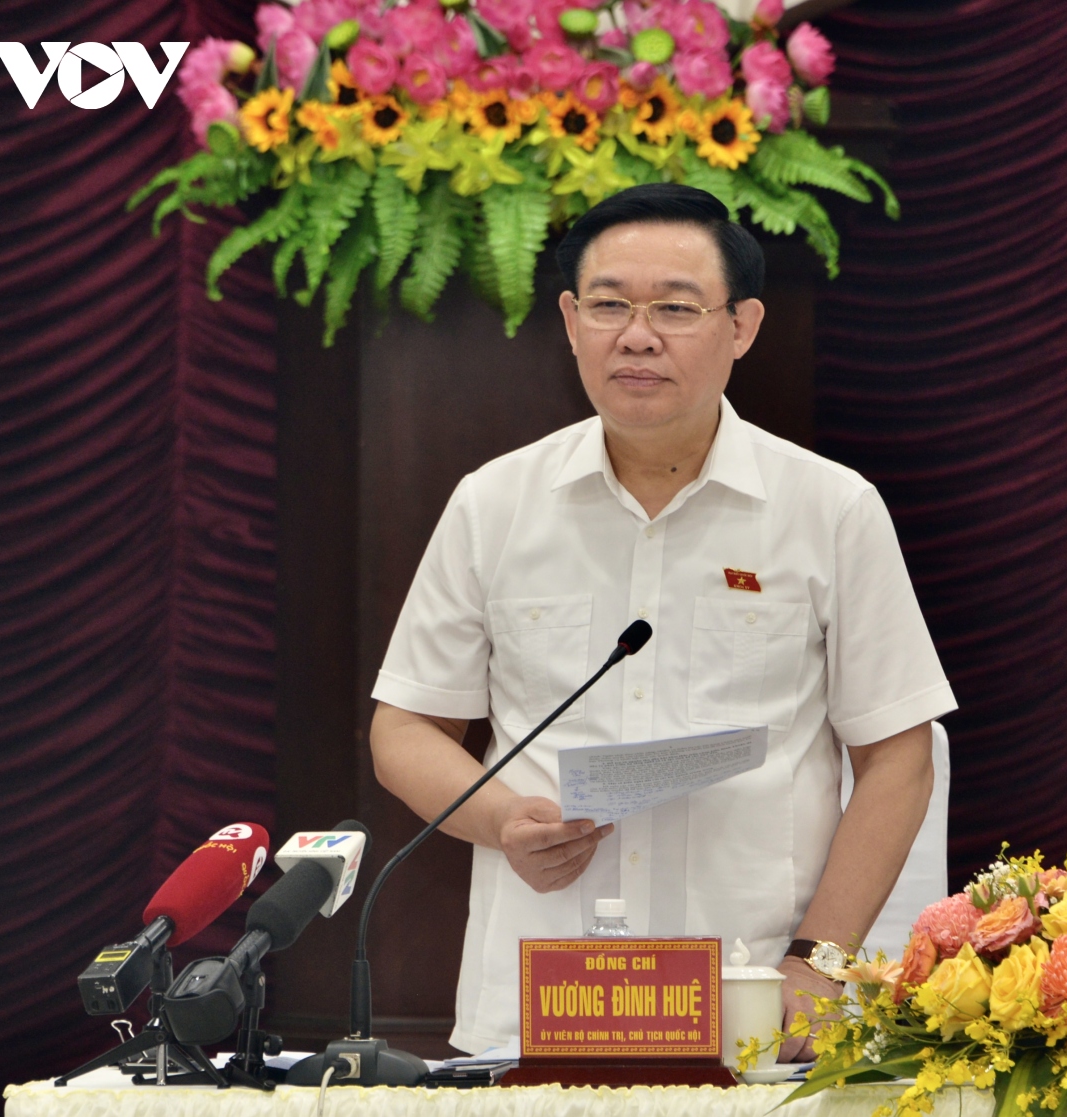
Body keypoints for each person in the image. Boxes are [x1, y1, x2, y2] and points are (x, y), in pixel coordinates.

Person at [369, 183, 956, 1060]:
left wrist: (818, 961)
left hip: (755, 992)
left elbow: (898, 755)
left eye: (676, 308)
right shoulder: (494, 504)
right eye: (609, 305)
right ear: (570, 321)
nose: (637, 336)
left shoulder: (830, 508)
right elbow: (405, 727)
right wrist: (501, 820)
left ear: (742, 326)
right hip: (543, 990)